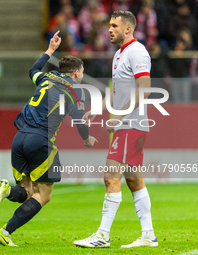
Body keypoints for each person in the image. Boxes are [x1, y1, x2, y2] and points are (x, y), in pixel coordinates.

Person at [0, 31, 97, 247]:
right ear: (76, 73)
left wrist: (49, 51)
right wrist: (87, 139)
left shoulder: (46, 78)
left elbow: (33, 70)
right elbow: (78, 120)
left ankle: (7, 191)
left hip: (19, 138)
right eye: (82, 72)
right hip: (40, 141)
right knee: (44, 195)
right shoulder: (76, 91)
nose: (82, 76)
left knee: (27, 192)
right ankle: (5, 231)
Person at [73, 10, 158, 248]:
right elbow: (116, 93)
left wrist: (119, 115)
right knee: (133, 180)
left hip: (131, 124)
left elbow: (145, 90)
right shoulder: (119, 54)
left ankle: (102, 235)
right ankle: (148, 235)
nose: (109, 29)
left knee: (111, 177)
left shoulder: (137, 51)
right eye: (109, 25)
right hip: (125, 124)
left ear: (128, 29)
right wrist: (98, 109)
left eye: (114, 26)